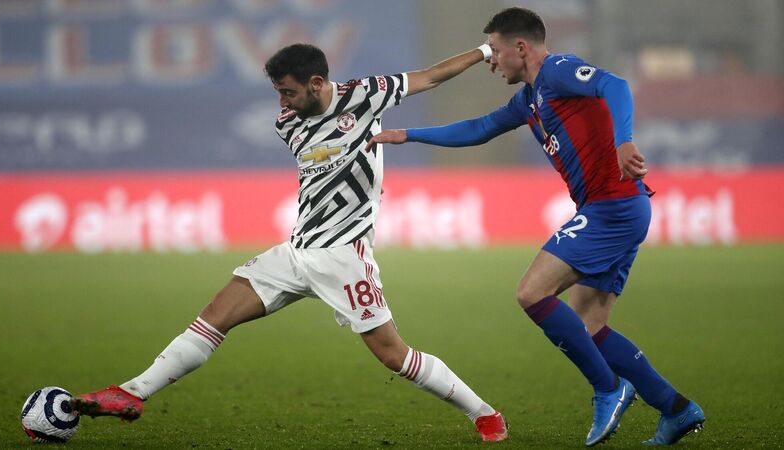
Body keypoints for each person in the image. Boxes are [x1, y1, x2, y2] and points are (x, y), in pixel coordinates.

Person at [69, 43, 509, 443]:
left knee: (394, 356)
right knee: (213, 318)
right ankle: (132, 392)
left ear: (317, 83)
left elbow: (431, 75)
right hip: (296, 252)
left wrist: (485, 50)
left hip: (343, 257)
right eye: (278, 93)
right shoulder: (288, 123)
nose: (282, 103)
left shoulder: (366, 94)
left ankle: (485, 414)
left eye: (288, 92)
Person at [367, 7, 705, 447]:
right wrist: (408, 134)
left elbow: (616, 85)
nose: (491, 61)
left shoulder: (558, 71)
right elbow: (480, 128)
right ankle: (676, 409)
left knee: (532, 292)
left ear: (521, 47)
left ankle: (608, 389)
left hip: (613, 206)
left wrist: (624, 140)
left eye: (494, 50)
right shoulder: (528, 99)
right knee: (587, 326)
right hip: (617, 208)